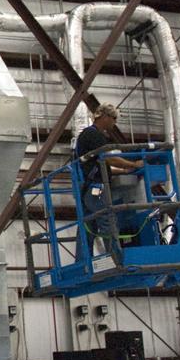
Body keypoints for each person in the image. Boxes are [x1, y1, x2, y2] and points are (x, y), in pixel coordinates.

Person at [75, 103, 142, 261]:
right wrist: (133, 164)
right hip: (96, 188)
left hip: (87, 188)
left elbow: (99, 164)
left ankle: (82, 260)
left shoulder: (88, 135)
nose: (114, 123)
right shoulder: (94, 135)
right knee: (107, 218)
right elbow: (108, 158)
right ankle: (114, 258)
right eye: (113, 119)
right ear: (104, 117)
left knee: (88, 224)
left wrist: (122, 171)